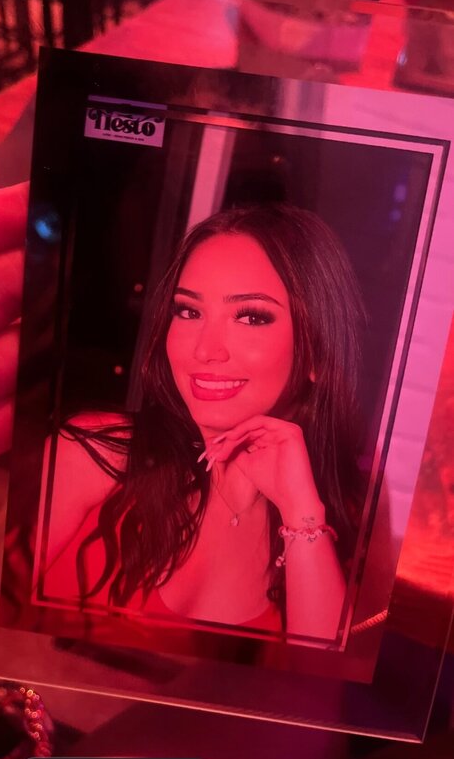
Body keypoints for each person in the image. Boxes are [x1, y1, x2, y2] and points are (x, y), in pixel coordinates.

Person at [41, 204, 365, 643]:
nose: (204, 350)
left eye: (250, 316)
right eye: (189, 311)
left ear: (319, 355)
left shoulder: (353, 530)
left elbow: (319, 681)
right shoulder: (94, 453)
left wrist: (302, 516)